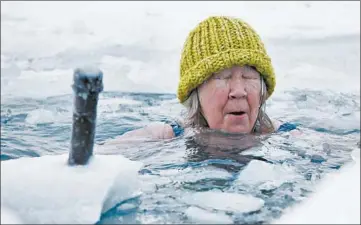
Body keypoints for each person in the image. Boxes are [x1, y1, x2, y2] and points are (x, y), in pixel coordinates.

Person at [104, 16, 298, 146]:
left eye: (249, 76)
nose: (239, 91)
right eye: (222, 77)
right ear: (195, 90)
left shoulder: (284, 136)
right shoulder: (166, 137)